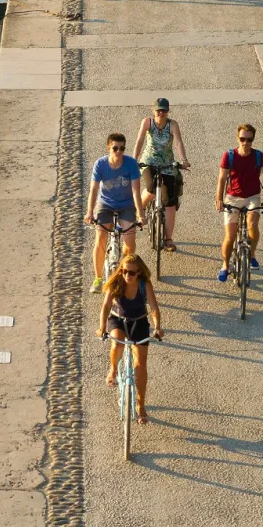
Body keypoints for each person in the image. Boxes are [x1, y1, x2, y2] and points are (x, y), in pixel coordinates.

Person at [97, 252, 162, 424]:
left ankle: (141, 404)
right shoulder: (116, 282)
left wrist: (157, 327)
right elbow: (106, 307)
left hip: (139, 323)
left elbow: (154, 307)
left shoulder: (144, 284)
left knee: (140, 364)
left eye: (131, 272)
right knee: (117, 343)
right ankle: (113, 370)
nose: (127, 275)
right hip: (118, 320)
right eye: (124, 271)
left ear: (139, 272)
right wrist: (102, 327)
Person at [85, 133, 145, 295]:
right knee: (101, 238)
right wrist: (90, 212)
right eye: (115, 148)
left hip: (126, 205)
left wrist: (141, 215)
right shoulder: (100, 164)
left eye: (122, 148)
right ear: (108, 148)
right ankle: (98, 278)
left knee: (130, 241)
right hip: (106, 205)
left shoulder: (131, 164)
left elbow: (135, 191)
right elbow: (94, 190)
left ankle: (126, 272)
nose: (119, 152)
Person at [215, 123, 263, 282]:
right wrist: (219, 199)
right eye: (242, 139)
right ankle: (225, 265)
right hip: (232, 198)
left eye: (249, 139)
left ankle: (252, 254)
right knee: (230, 236)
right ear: (238, 138)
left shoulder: (259, 156)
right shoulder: (229, 155)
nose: (246, 143)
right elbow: (222, 179)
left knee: (252, 226)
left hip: (252, 197)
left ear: (253, 139)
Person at [134, 98, 190, 251]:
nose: (161, 113)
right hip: (149, 162)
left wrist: (183, 159)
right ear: (153, 111)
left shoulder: (172, 124)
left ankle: (168, 239)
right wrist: (134, 158)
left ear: (168, 111)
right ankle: (140, 210)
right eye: (159, 110)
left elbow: (178, 142)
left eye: (164, 110)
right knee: (151, 187)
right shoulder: (147, 122)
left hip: (167, 164)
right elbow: (139, 140)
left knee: (169, 202)